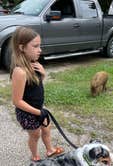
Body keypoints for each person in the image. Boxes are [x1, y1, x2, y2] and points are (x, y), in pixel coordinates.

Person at [10, 26, 64, 162]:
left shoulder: (33, 64)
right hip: (27, 113)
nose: (40, 50)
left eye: (39, 46)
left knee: (46, 130)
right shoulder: (20, 71)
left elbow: (35, 87)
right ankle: (35, 157)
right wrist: (37, 112)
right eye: (35, 46)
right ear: (22, 48)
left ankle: (50, 150)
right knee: (35, 135)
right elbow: (17, 101)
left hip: (39, 109)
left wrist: (43, 74)